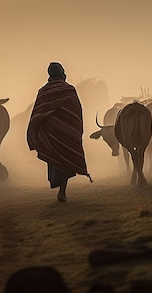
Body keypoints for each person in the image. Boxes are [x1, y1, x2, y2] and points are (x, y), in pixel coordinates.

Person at [27, 62, 92, 202]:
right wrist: (74, 130)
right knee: (64, 161)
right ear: (62, 73)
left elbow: (37, 114)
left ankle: (61, 191)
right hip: (66, 134)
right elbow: (76, 113)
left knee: (55, 161)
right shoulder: (69, 89)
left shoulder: (43, 91)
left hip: (50, 135)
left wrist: (37, 133)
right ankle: (62, 191)